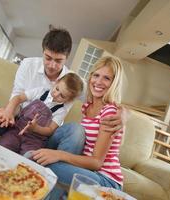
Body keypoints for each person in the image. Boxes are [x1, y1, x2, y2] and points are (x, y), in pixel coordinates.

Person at [0, 27, 123, 157]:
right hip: (16, 123)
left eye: (58, 61)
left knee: (76, 131)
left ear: (67, 58)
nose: (52, 65)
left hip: (42, 136)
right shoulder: (28, 65)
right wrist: (8, 111)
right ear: (43, 51)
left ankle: (43, 171)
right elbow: (18, 95)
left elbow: (102, 90)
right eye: (48, 58)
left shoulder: (74, 82)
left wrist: (125, 114)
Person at [31, 56, 124, 198]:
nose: (98, 82)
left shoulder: (110, 112)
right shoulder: (87, 107)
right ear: (90, 77)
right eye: (96, 75)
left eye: (106, 78)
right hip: (87, 171)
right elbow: (70, 84)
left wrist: (58, 155)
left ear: (114, 83)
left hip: (105, 180)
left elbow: (96, 162)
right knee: (70, 132)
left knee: (39, 162)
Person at [0, 73, 83, 156]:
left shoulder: (61, 110)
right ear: (56, 82)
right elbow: (18, 98)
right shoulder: (40, 91)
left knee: (30, 157)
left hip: (35, 140)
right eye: (57, 89)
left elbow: (50, 130)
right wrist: (9, 110)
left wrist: (36, 128)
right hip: (17, 130)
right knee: (5, 144)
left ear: (69, 100)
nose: (56, 95)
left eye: (62, 96)